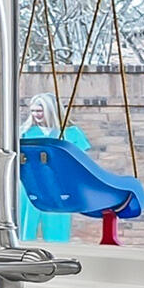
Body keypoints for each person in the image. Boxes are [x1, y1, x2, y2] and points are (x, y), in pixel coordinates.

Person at [18, 92, 92, 244]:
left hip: (58, 186)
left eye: (40, 111)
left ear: (50, 110)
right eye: (33, 111)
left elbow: (81, 160)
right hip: (29, 184)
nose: (36, 115)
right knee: (26, 227)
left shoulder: (70, 132)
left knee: (57, 228)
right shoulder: (24, 132)